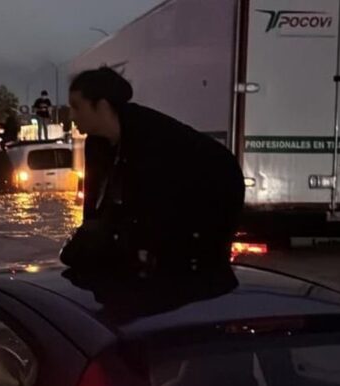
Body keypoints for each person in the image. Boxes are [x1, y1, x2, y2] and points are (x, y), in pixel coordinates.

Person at [60, 67, 245, 283]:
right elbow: (94, 209)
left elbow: (151, 210)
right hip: (175, 201)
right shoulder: (96, 143)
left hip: (216, 192)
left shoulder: (151, 138)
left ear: (101, 106)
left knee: (175, 266)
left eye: (76, 107)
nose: (71, 116)